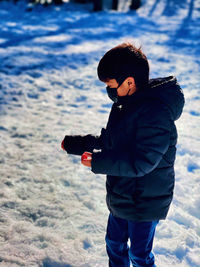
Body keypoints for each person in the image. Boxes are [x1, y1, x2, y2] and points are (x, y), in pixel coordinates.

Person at [61, 43, 185, 267]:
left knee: (139, 255)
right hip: (122, 195)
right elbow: (112, 142)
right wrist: (79, 144)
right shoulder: (124, 105)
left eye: (111, 85)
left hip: (146, 201)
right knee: (114, 244)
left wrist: (97, 162)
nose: (109, 91)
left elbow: (142, 162)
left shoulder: (156, 113)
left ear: (129, 82)